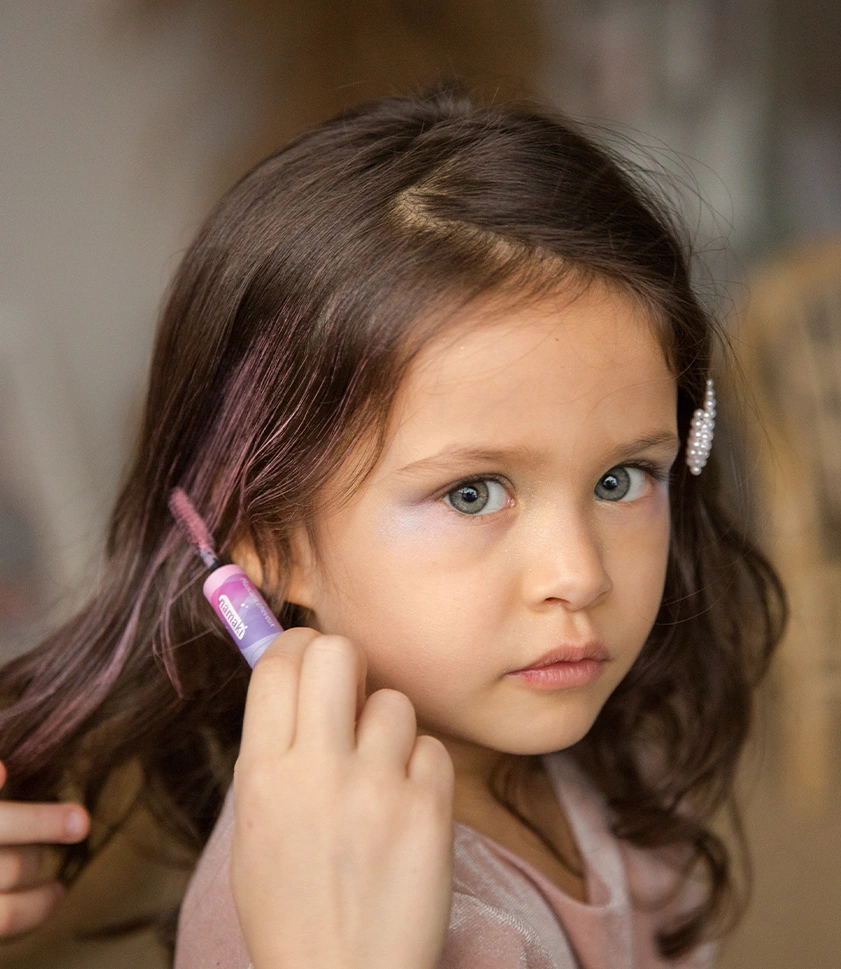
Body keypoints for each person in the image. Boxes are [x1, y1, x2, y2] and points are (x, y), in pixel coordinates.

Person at [0, 88, 784, 968]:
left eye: (620, 477)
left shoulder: (595, 751)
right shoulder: (293, 915)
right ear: (262, 530)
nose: (579, 574)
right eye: (473, 494)